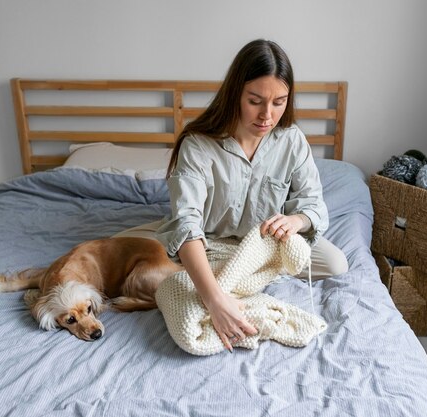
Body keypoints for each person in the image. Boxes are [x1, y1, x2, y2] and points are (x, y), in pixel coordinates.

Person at [117, 39, 348, 351]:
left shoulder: (292, 141)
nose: (267, 115)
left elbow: (312, 204)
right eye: (255, 101)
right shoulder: (198, 145)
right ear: (235, 93)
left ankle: (223, 275)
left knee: (335, 264)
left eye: (279, 102)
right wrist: (215, 301)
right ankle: (214, 276)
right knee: (123, 258)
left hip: (263, 246)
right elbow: (185, 225)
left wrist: (297, 220)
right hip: (205, 241)